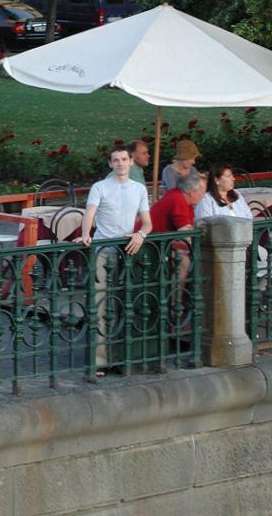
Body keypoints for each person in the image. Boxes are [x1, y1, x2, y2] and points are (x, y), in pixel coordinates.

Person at [78, 144, 152, 373]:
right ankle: (99, 361)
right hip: (103, 251)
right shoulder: (100, 187)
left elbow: (147, 223)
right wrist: (86, 233)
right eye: (116, 160)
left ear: (131, 162)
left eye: (124, 159)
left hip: (127, 252)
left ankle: (122, 358)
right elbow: (90, 213)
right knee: (99, 305)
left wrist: (140, 235)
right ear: (110, 164)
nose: (120, 163)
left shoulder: (139, 189)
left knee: (125, 305)